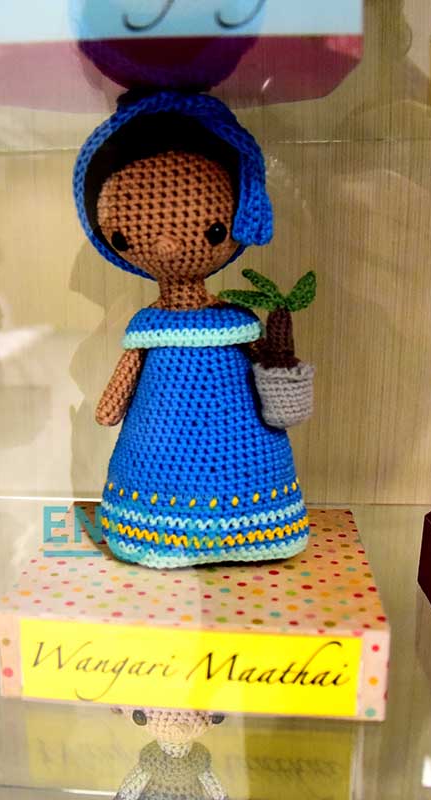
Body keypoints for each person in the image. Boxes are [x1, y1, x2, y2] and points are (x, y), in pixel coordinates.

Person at [74, 90, 308, 567]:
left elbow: (270, 363)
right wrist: (109, 405)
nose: (165, 245)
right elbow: (118, 392)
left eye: (211, 230)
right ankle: (160, 529)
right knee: (154, 468)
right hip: (156, 450)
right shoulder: (150, 327)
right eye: (130, 233)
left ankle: (249, 527)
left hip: (241, 455)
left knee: (248, 464)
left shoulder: (238, 321)